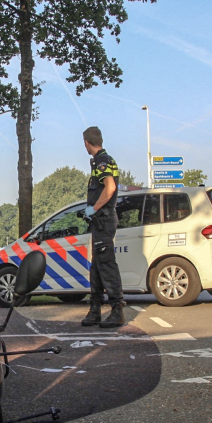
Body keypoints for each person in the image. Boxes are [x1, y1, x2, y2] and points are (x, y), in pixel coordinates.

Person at [80, 126, 125, 328]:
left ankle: (117, 310)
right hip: (101, 221)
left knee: (106, 264)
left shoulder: (102, 161)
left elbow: (110, 188)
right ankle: (95, 309)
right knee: (97, 266)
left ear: (87, 143)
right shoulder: (104, 160)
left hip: (104, 219)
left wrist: (93, 209)